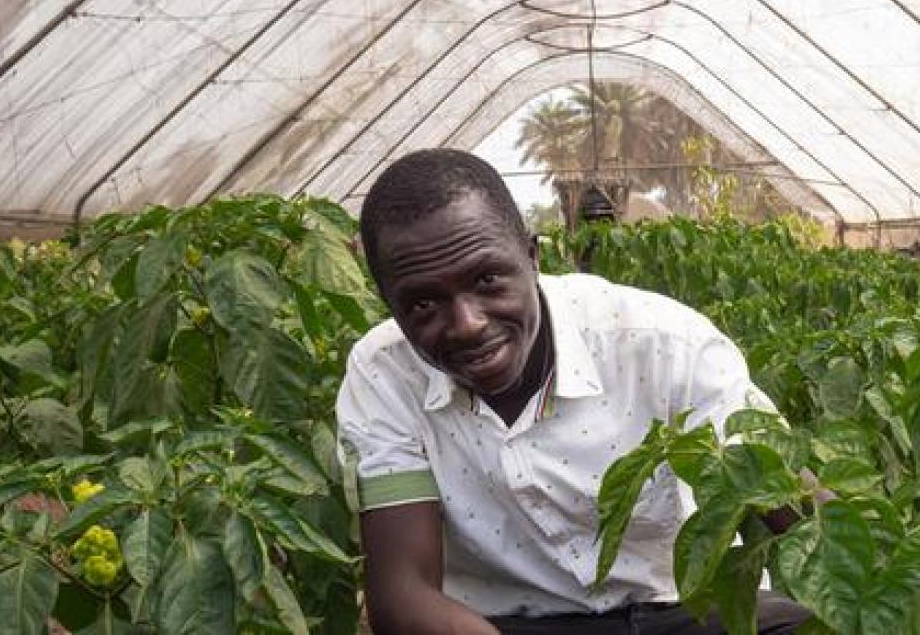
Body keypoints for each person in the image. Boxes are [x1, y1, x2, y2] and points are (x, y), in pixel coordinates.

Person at [336, 149, 810, 635]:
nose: (467, 323)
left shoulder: (662, 343)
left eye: (488, 280)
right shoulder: (385, 373)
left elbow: (794, 501)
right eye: (423, 304)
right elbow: (402, 594)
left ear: (532, 256)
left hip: (677, 608)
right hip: (505, 625)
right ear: (389, 304)